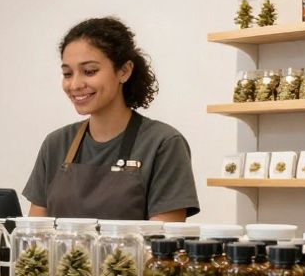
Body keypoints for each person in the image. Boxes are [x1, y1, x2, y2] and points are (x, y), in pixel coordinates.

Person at [23, 17, 199, 221]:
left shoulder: (163, 144)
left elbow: (163, 237)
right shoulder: (56, 144)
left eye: (89, 71)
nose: (75, 84)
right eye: (67, 73)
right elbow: (35, 232)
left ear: (124, 71)